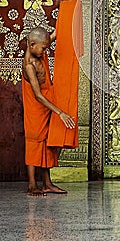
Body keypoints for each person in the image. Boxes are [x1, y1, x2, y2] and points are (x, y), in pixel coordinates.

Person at [22, 26, 75, 196]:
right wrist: (60, 112)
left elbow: (53, 35)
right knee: (35, 142)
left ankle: (47, 183)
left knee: (46, 142)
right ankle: (32, 185)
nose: (46, 51)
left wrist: (68, 14)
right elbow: (38, 95)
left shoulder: (38, 49)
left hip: (48, 104)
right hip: (37, 107)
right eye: (44, 48)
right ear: (32, 45)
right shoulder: (29, 66)